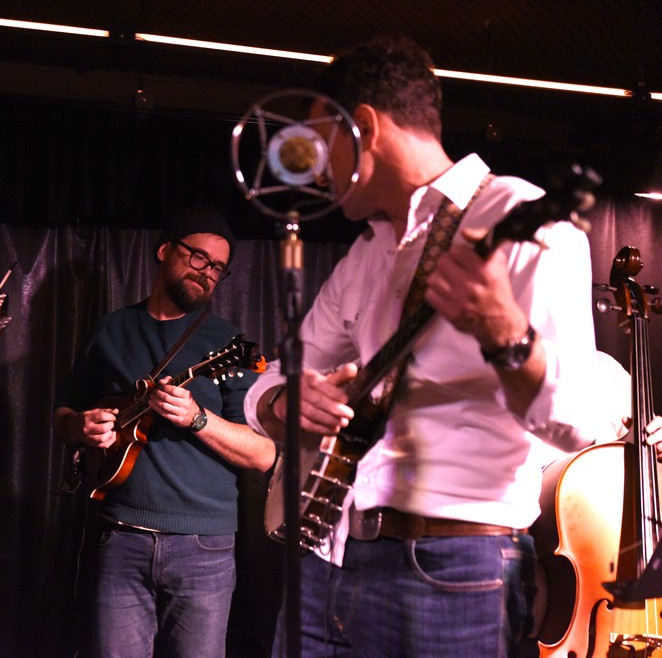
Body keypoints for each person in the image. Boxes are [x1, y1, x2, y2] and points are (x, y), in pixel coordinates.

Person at [244, 37, 608, 656]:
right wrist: (287, 401)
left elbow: (580, 422)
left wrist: (506, 334)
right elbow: (272, 379)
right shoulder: (366, 254)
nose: (317, 170)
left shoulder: (522, 216)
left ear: (364, 128)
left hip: (452, 568)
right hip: (327, 556)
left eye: (322, 143)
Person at [52, 206, 276, 658]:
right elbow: (63, 414)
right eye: (198, 257)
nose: (208, 272)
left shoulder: (233, 346)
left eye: (218, 267)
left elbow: (264, 454)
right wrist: (80, 425)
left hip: (204, 548)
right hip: (119, 537)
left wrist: (197, 418)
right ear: (164, 251)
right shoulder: (111, 329)